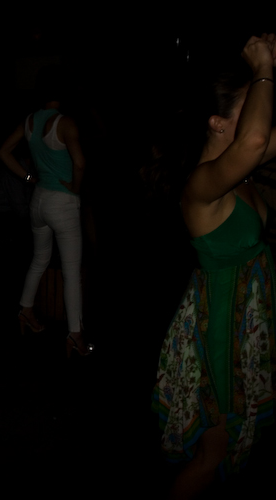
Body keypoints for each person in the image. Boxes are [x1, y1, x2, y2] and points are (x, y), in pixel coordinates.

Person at [153, 34, 276, 498]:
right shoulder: (203, 182)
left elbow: (259, 136)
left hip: (245, 320)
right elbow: (257, 139)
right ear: (218, 123)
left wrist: (271, 69)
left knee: (228, 449)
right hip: (219, 331)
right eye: (251, 104)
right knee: (213, 454)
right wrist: (262, 68)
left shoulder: (237, 169)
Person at [0, 66, 91, 355]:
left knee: (39, 259)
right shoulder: (66, 123)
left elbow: (3, 152)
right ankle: (75, 335)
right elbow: (80, 163)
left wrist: (28, 177)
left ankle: (25, 310)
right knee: (71, 270)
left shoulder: (29, 121)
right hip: (62, 202)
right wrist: (75, 187)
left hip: (38, 200)